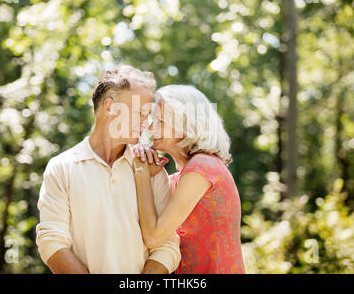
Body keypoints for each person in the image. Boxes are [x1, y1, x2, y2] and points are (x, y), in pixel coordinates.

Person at [35, 65, 181, 274]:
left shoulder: (151, 168)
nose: (146, 123)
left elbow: (167, 246)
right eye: (140, 112)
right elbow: (52, 241)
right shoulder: (62, 167)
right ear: (110, 107)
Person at [132, 84, 245, 274]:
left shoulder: (201, 167)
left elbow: (153, 237)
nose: (151, 127)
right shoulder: (183, 176)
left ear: (185, 124)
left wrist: (141, 172)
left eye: (160, 121)